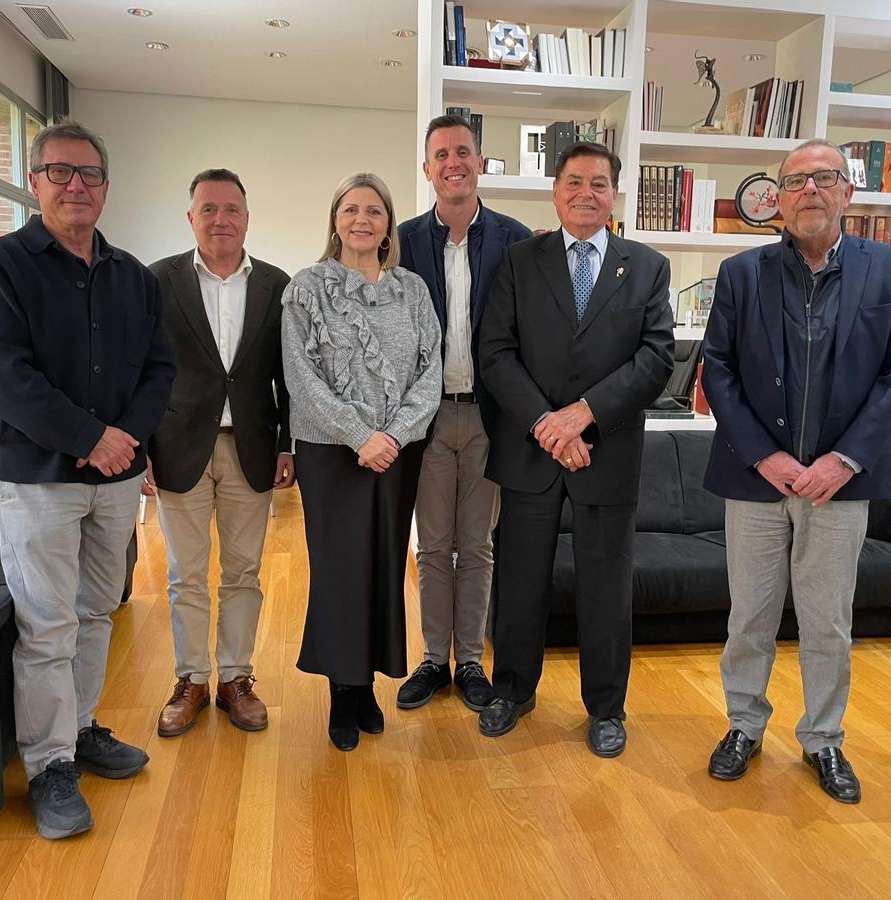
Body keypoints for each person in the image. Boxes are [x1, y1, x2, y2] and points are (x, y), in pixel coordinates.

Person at [0, 120, 175, 839]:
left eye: (88, 173)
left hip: (114, 483)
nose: (75, 185)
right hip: (38, 481)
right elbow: (6, 379)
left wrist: (124, 442)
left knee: (94, 617)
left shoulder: (134, 280)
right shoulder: (0, 268)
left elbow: (159, 370)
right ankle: (50, 767)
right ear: (34, 182)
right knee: (47, 627)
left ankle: (81, 731)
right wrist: (91, 439)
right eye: (60, 172)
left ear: (107, 187)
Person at [701, 138, 891, 804]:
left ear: (847, 193)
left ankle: (823, 740)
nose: (809, 191)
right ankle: (744, 725)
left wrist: (842, 460)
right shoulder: (742, 273)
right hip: (755, 479)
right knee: (750, 616)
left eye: (824, 179)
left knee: (828, 621)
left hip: (840, 484)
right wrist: (764, 456)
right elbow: (720, 368)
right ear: (778, 200)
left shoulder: (890, 269)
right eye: (794, 182)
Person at [477, 143, 674, 758]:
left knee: (607, 587)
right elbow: (496, 353)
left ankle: (607, 708)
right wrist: (547, 425)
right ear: (555, 190)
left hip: (606, 451)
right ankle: (512, 689)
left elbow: (656, 358)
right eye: (573, 181)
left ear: (615, 192)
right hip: (532, 451)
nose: (585, 192)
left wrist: (582, 417)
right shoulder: (517, 261)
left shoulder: (646, 266)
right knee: (519, 580)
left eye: (599, 182)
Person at [281, 172, 442, 751]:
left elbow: (432, 373)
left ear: (388, 225)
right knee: (338, 571)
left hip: (396, 453)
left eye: (374, 211)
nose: (362, 219)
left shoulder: (413, 292)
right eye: (351, 209)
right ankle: (341, 692)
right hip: (331, 453)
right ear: (335, 220)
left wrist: (393, 435)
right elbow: (301, 377)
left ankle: (368, 682)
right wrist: (359, 435)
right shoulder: (306, 288)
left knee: (384, 566)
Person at [147, 168, 294, 738]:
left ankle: (235, 678)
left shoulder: (277, 286)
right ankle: (191, 681)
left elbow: (289, 376)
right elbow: (143, 372)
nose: (220, 219)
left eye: (231, 209)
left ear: (247, 218)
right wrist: (141, 448)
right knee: (185, 575)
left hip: (250, 447)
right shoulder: (158, 282)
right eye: (208, 209)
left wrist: (289, 445)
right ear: (191, 218)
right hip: (177, 447)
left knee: (244, 572)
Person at [395, 115, 531, 712]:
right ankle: (432, 659)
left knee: (476, 546)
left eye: (464, 152)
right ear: (427, 169)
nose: (454, 162)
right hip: (423, 419)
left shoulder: (516, 238)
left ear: (480, 163)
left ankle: (471, 661)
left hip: (488, 417)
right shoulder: (399, 241)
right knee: (431, 547)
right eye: (442, 154)